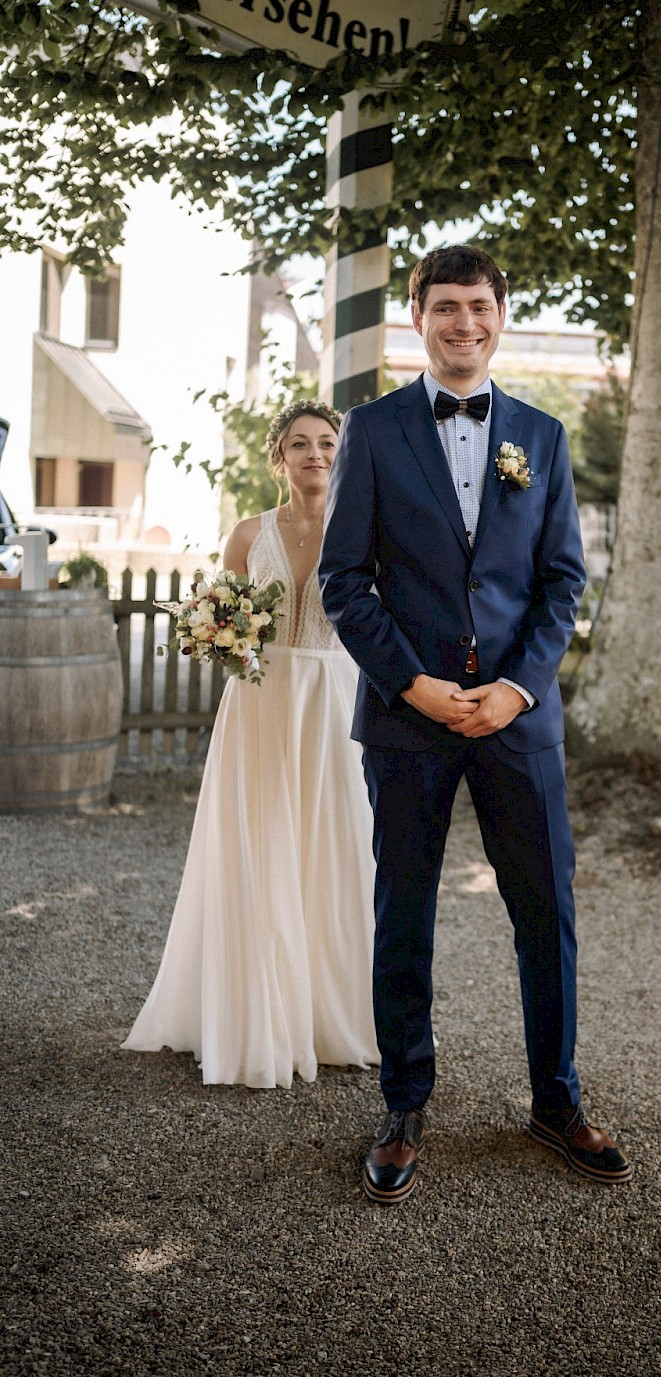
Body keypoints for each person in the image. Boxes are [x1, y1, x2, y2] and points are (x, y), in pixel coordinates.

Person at [319, 244, 632, 1203]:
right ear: (418, 315)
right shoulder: (370, 431)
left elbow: (562, 583)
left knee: (547, 914)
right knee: (402, 914)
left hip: (517, 722)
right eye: (446, 306)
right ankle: (404, 1104)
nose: (464, 323)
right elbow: (344, 580)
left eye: (480, 306)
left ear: (502, 313)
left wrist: (519, 688)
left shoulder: (541, 435)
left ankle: (556, 1098)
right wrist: (412, 683)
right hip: (409, 721)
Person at [123, 402, 379, 1087]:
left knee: (329, 845)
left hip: (330, 703)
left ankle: (328, 1012)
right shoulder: (247, 534)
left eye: (327, 442)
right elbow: (219, 611)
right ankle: (251, 1012)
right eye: (300, 443)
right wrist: (217, 631)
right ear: (279, 458)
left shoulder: (365, 531)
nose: (315, 454)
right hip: (259, 703)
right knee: (258, 841)